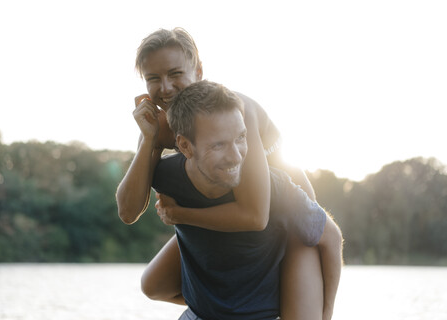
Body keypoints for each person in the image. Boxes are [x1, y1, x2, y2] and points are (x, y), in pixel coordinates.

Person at [116, 28, 342, 319]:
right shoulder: (163, 123)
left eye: (175, 74)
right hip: (229, 212)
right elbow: (127, 212)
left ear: (198, 71)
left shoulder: (230, 111)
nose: (165, 87)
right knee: (153, 284)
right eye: (153, 79)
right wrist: (149, 140)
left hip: (286, 214)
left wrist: (181, 215)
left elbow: (255, 214)